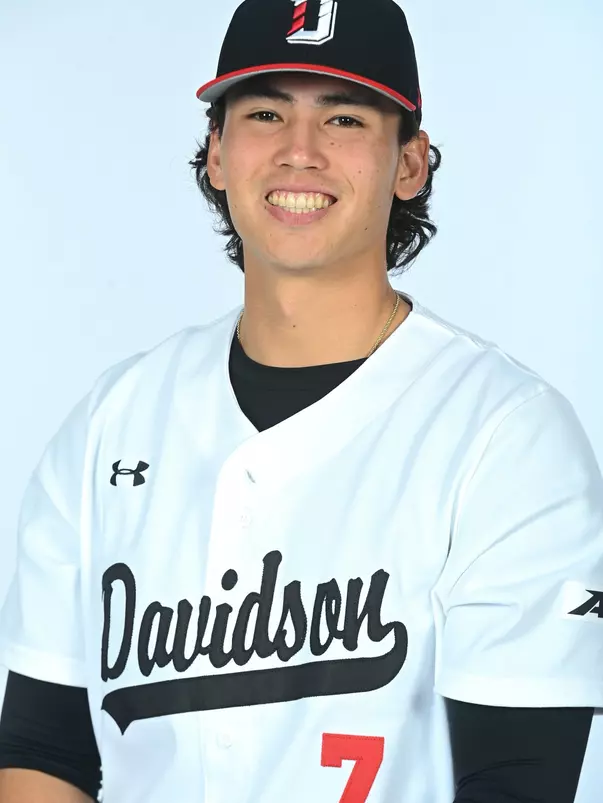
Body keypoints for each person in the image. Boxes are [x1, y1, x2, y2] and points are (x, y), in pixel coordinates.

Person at [0, 0, 601, 801]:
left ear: (410, 163)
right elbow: (44, 750)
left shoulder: (507, 433)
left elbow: (517, 781)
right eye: (263, 112)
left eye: (345, 118)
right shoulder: (112, 420)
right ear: (216, 154)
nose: (298, 150)